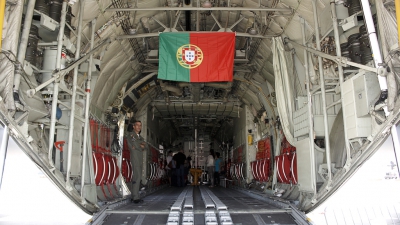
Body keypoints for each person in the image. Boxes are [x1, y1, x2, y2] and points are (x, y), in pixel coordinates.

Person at [127, 120, 148, 203]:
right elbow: (135, 145)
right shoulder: (131, 135)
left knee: (137, 177)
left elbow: (146, 147)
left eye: (140, 125)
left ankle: (134, 195)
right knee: (137, 176)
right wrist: (140, 146)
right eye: (137, 125)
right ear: (133, 126)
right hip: (135, 158)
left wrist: (140, 145)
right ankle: (135, 197)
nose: (139, 127)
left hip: (139, 158)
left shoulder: (140, 137)